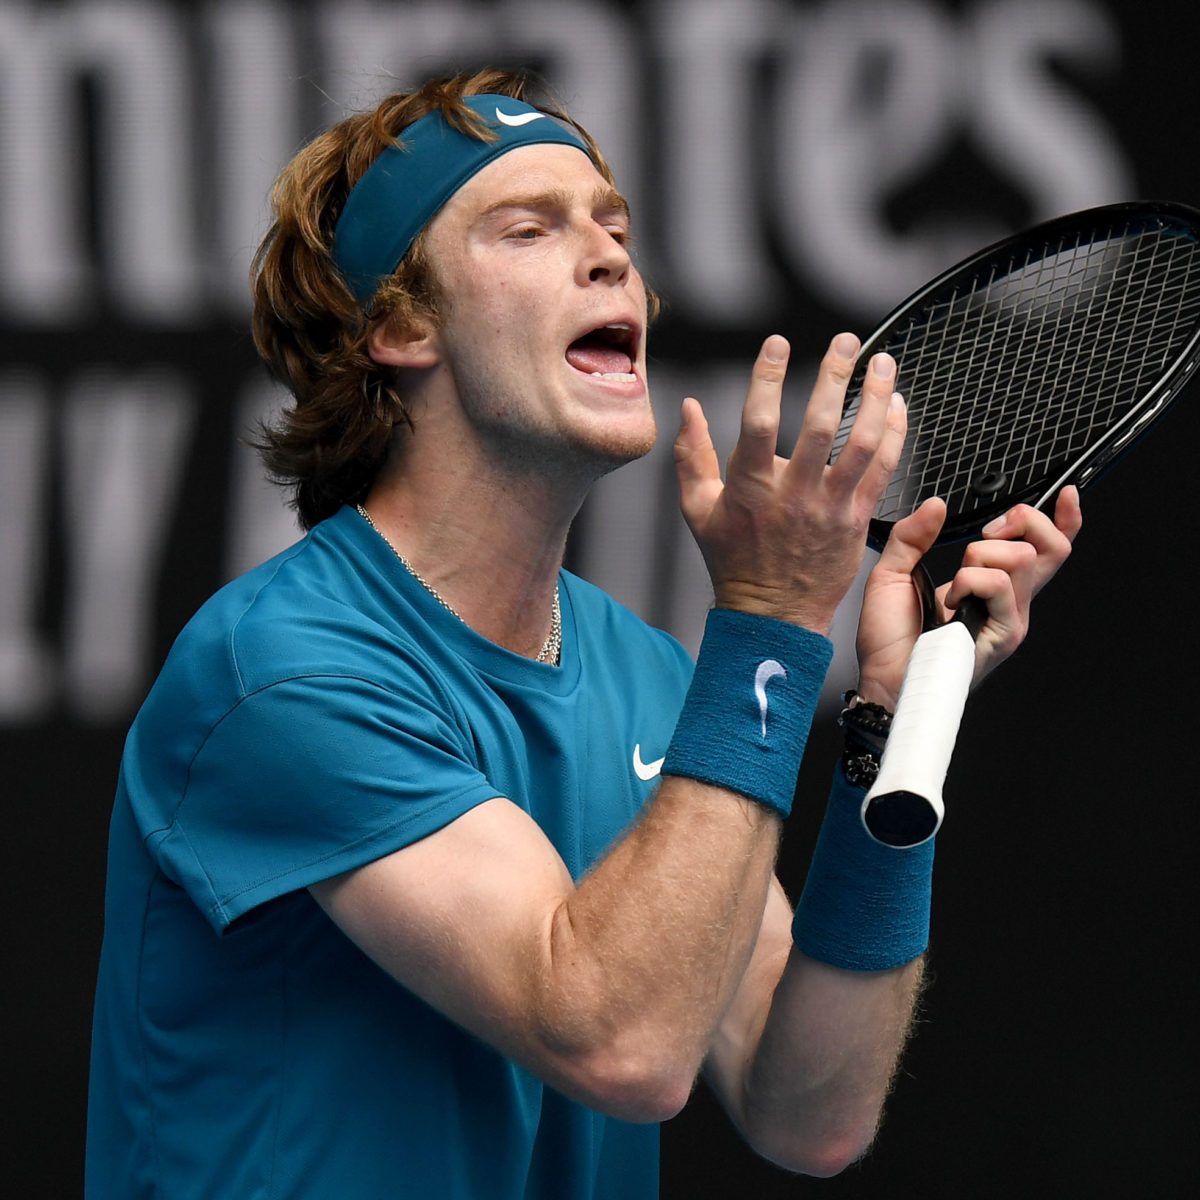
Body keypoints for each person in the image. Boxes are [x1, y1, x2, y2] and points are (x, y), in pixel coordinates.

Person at [85, 68, 1081, 1199]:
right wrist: (772, 620)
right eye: (529, 229)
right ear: (400, 326)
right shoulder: (281, 671)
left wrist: (892, 735)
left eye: (615, 227)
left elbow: (809, 1112)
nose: (611, 257)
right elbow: (619, 1042)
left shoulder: (650, 676)